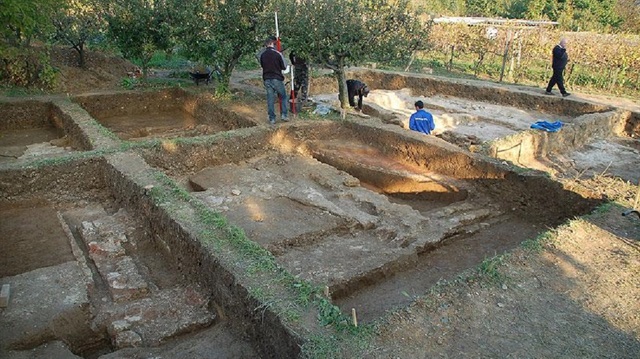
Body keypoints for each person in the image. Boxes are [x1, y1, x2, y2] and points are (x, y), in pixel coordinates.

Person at [260, 36, 289, 124]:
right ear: (272, 43)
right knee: (283, 96)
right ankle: (284, 115)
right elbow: (284, 67)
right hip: (276, 78)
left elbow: (262, 65)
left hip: (267, 79)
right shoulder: (277, 54)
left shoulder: (263, 55)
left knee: (270, 99)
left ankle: (272, 118)